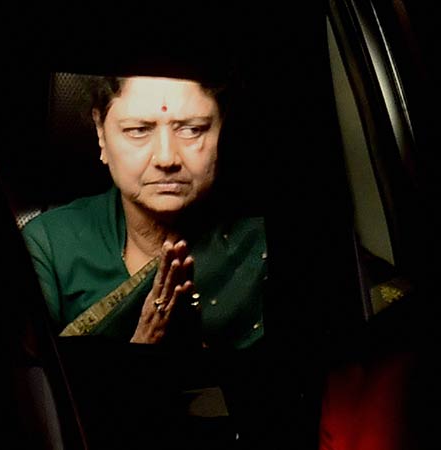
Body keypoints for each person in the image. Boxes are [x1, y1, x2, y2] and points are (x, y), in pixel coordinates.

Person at [21, 71, 267, 351]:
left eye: (192, 129)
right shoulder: (49, 244)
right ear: (101, 132)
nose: (166, 158)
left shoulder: (258, 245)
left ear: (221, 129)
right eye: (138, 130)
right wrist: (145, 343)